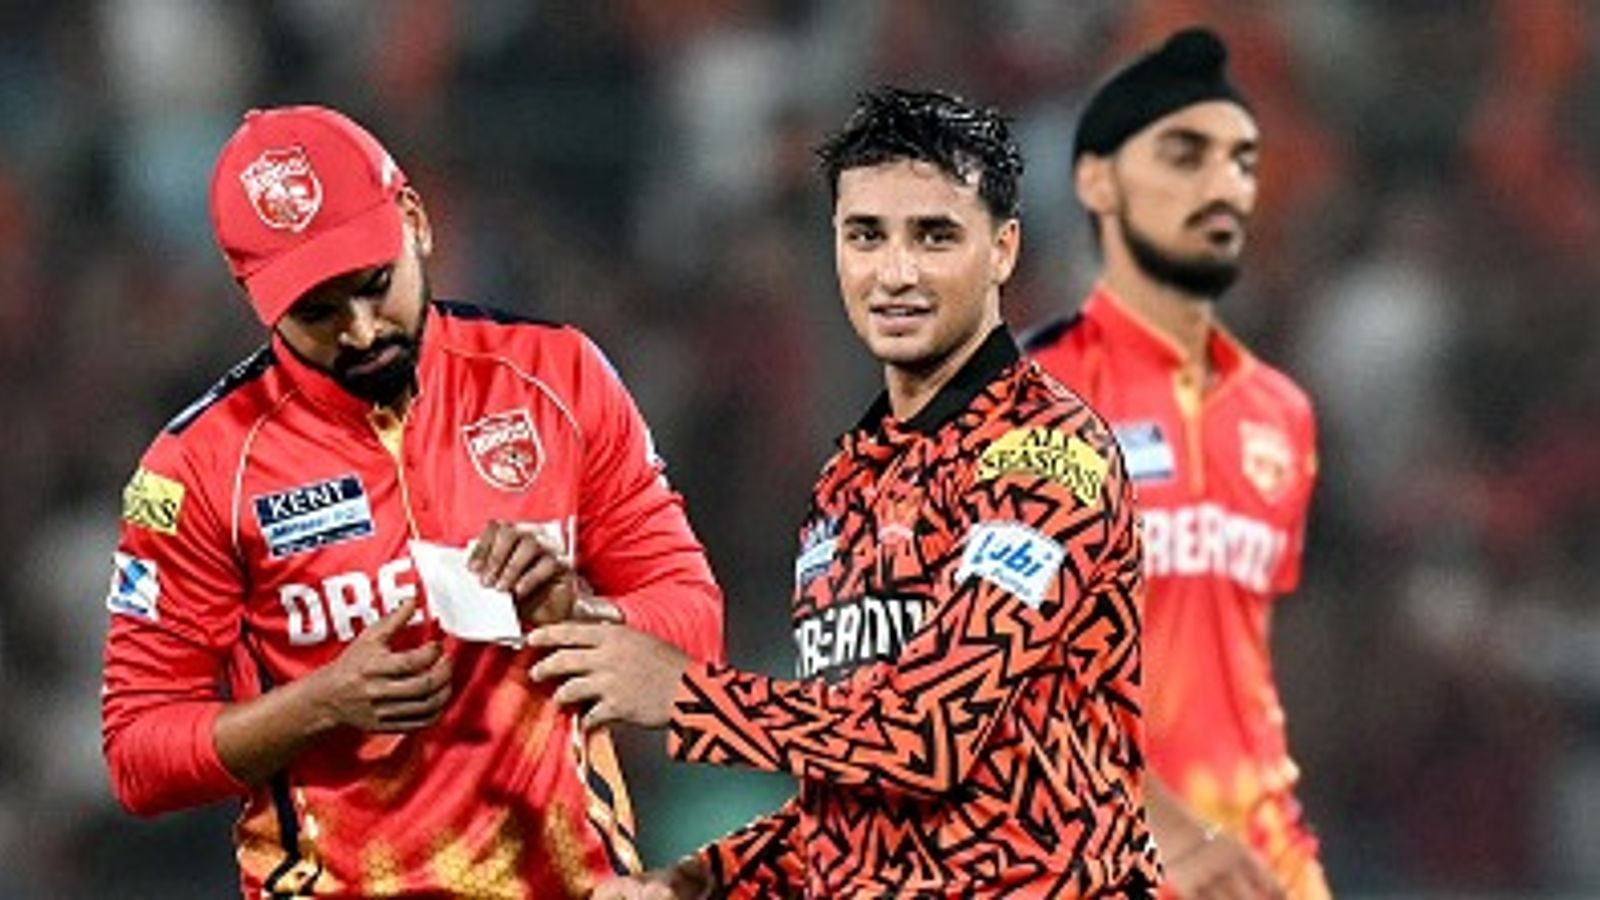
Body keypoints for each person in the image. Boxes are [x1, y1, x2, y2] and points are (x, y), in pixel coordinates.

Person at [526, 86, 1160, 897]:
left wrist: (684, 696)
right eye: (867, 235)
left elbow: (932, 736)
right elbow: (862, 785)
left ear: (1002, 250)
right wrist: (697, 880)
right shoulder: (849, 483)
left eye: (935, 237)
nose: (895, 272)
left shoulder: (1043, 454)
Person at [99, 105, 724, 898]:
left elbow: (696, 630)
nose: (361, 332)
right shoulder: (194, 468)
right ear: (252, 295)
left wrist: (580, 621)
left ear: (415, 220)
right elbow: (138, 754)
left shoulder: (558, 377)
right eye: (318, 314)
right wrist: (319, 705)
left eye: (374, 286)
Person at [1025, 28, 1329, 898]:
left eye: (1241, 160)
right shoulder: (1033, 401)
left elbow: (1252, 678)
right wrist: (1168, 829)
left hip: (1257, 857)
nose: (1222, 185)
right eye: (1184, 155)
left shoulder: (1282, 413)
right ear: (1098, 182)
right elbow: (1005, 682)